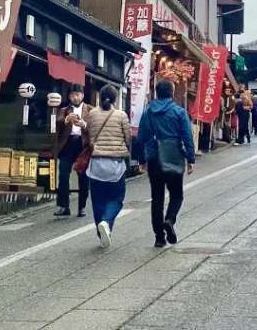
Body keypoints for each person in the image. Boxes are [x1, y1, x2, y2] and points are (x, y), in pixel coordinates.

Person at [133, 79, 196, 248]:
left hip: (154, 158)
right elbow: (187, 136)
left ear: (156, 92)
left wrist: (141, 159)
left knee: (157, 198)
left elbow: (140, 138)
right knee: (176, 194)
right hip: (174, 155)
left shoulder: (148, 112)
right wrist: (190, 158)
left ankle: (159, 237)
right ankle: (170, 219)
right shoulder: (179, 112)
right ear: (172, 92)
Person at [84, 85, 132, 248]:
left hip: (96, 163)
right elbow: (128, 138)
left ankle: (101, 231)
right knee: (116, 199)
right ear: (115, 99)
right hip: (115, 164)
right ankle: (106, 221)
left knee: (98, 200)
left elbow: (89, 135)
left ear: (100, 96)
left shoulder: (91, 114)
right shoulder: (121, 116)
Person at [54, 85, 91, 218]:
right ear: (69, 97)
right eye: (73, 95)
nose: (76, 97)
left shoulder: (90, 110)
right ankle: (64, 206)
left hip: (83, 145)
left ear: (82, 95)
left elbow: (95, 127)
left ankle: (82, 207)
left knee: (84, 177)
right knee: (63, 175)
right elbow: (56, 123)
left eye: (78, 94)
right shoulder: (64, 110)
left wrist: (84, 125)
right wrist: (66, 120)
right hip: (67, 144)